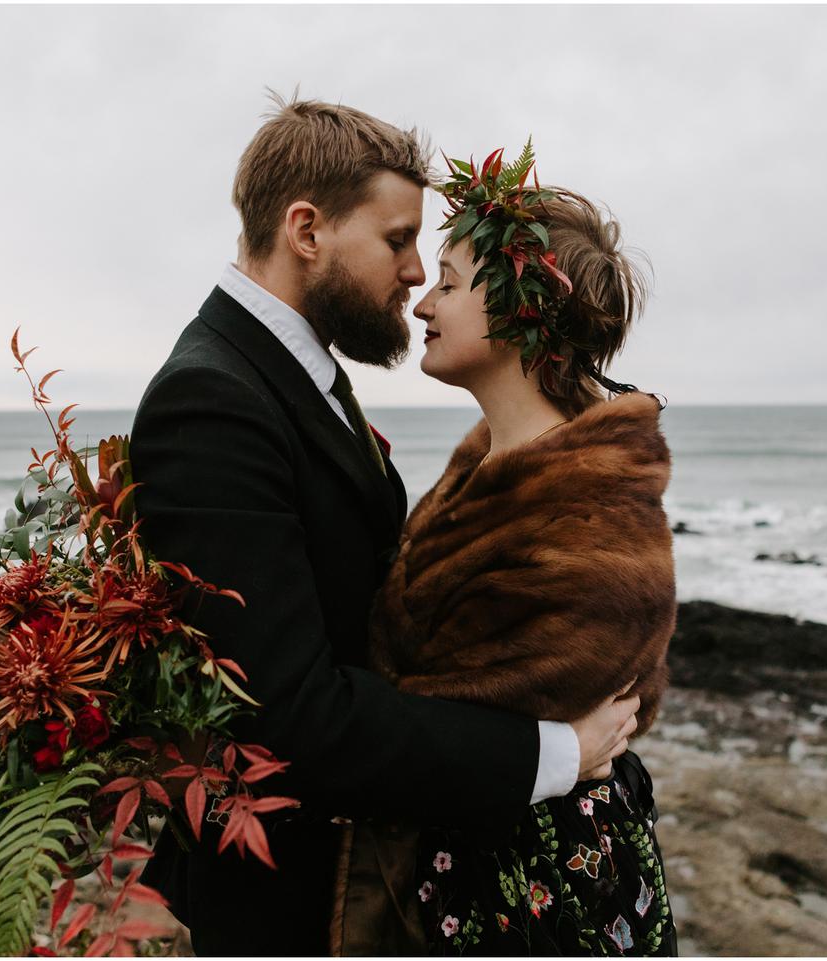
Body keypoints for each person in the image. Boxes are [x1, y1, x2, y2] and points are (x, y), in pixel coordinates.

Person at [130, 95, 640, 956]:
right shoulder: (210, 399)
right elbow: (291, 713)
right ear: (307, 231)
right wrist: (553, 753)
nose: (414, 272)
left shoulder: (293, 373)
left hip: (359, 875)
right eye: (399, 240)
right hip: (287, 898)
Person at [342, 148, 679, 955]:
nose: (423, 301)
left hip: (548, 889)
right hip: (471, 865)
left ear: (520, 310)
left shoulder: (591, 511)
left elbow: (455, 698)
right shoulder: (489, 466)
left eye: (450, 282)